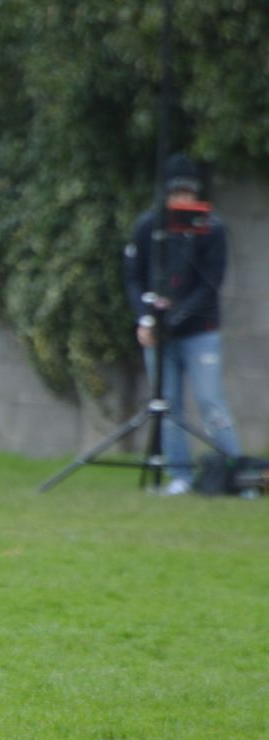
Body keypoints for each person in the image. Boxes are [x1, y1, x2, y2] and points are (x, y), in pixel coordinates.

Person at [124, 153, 245, 496]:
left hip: (199, 332)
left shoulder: (212, 229)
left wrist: (176, 317)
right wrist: (147, 318)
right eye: (175, 193)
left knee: (210, 401)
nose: (181, 200)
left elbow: (210, 285)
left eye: (187, 193)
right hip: (158, 335)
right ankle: (181, 476)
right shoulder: (149, 227)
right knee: (167, 405)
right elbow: (134, 277)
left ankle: (236, 473)